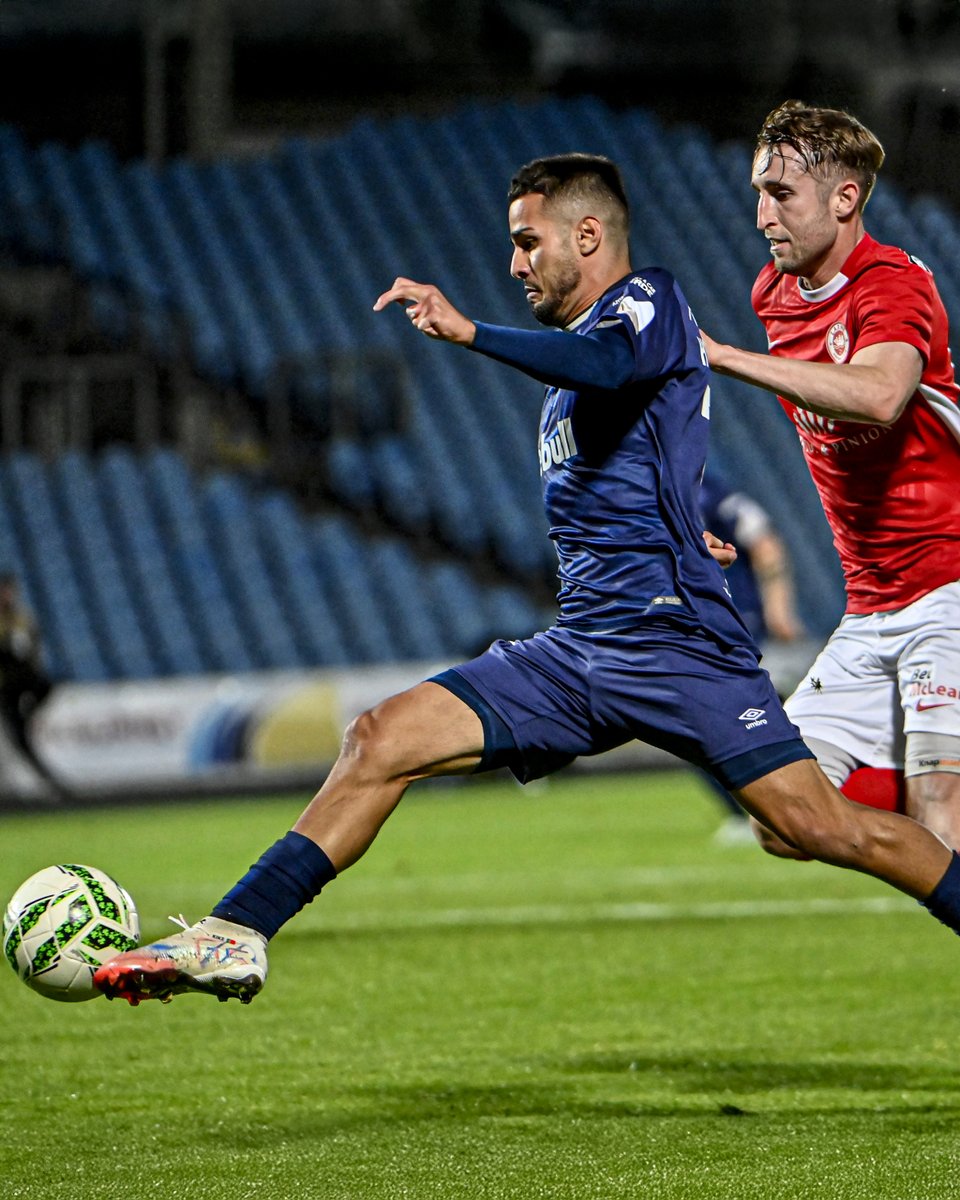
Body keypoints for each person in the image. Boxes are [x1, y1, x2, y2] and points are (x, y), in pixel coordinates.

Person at [94, 152, 960, 1007]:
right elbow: (641, 450)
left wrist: (469, 332)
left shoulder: (648, 301)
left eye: (527, 241)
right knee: (378, 739)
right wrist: (678, 525)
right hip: (580, 646)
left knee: (819, 830)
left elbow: (619, 369)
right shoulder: (573, 358)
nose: (514, 263)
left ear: (588, 234)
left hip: (675, 645)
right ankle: (235, 932)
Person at [701, 99, 960, 859]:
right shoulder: (773, 297)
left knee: (940, 804)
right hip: (871, 604)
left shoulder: (895, 286)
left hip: (949, 582)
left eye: (780, 194)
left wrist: (726, 356)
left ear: (844, 198)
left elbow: (880, 395)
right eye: (758, 192)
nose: (761, 215)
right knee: (782, 819)